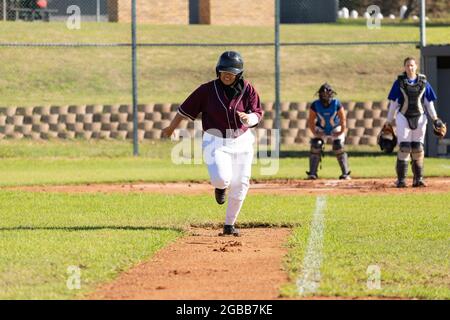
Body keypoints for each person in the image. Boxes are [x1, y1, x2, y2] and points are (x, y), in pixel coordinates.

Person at [162, 51, 263, 236]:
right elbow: (184, 111)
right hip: (215, 140)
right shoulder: (207, 90)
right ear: (218, 70)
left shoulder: (248, 89)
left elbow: (257, 113)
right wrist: (171, 127)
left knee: (241, 183)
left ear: (239, 73)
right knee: (221, 179)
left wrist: (248, 118)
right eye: (223, 70)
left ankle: (229, 225)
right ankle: (220, 188)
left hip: (242, 140)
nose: (227, 75)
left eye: (231, 72)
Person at [385, 56, 445, 188]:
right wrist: (388, 121)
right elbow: (394, 104)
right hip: (403, 117)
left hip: (420, 117)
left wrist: (435, 118)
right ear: (404, 68)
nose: (410, 67)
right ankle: (401, 180)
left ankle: (418, 179)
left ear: (416, 66)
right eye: (407, 65)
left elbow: (428, 103)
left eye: (412, 65)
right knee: (405, 147)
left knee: (418, 148)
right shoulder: (399, 83)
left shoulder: (423, 82)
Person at [306, 83, 351, 180]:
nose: (325, 96)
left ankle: (346, 173)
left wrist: (340, 132)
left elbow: (343, 119)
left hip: (335, 127)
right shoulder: (315, 105)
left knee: (338, 145)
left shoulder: (336, 103)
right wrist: (315, 133)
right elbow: (311, 121)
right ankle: (312, 173)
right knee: (316, 144)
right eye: (323, 94)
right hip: (321, 128)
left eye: (327, 94)